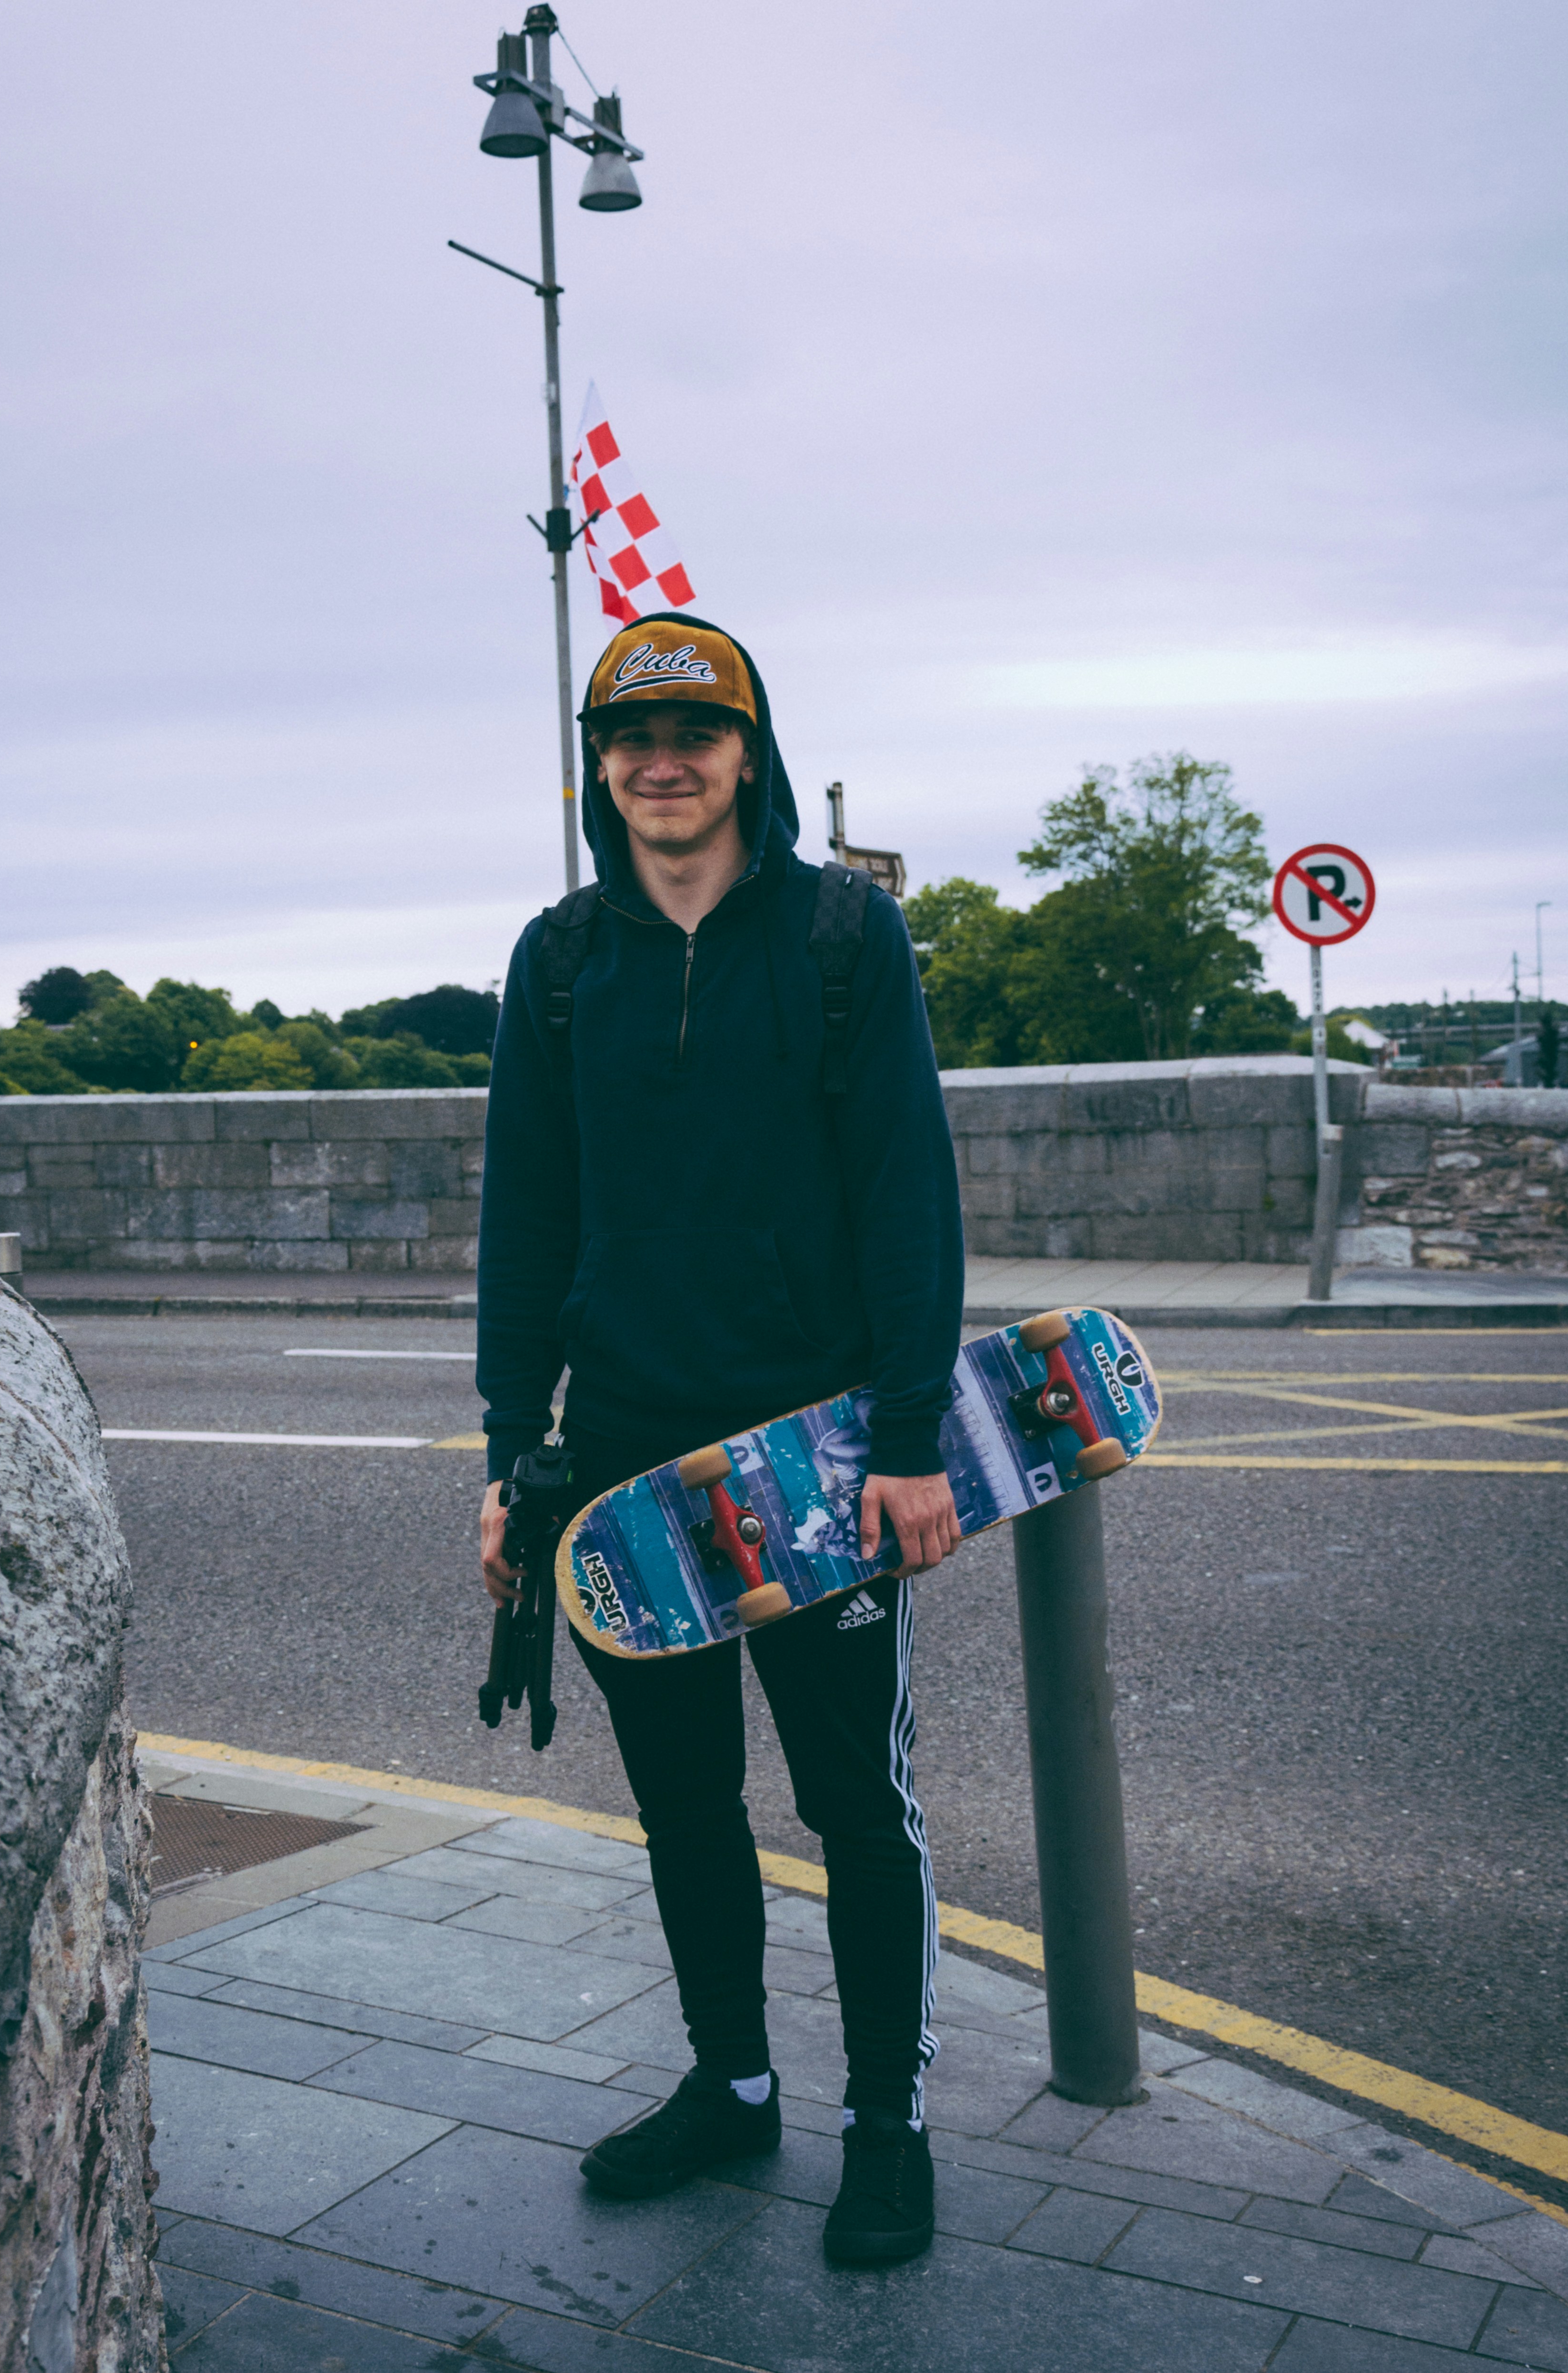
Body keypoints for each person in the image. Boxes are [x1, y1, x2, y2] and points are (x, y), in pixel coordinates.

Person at [475, 614, 965, 2265]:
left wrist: (911, 1439)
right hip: (619, 1465)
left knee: (853, 1806)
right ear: (598, 765)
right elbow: (526, 1222)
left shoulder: (843, 934)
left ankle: (885, 2125)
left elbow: (909, 1193)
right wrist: (506, 1448)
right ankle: (733, 2084)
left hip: (821, 1457)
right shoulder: (557, 962)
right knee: (687, 1806)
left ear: (749, 749)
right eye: (629, 739)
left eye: (694, 733)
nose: (660, 763)